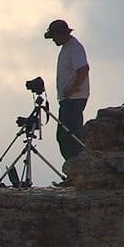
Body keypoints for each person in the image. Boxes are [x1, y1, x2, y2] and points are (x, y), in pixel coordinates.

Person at [44, 19, 89, 161]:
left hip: (73, 99)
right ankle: (73, 168)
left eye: (54, 37)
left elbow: (83, 70)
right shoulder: (67, 48)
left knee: (70, 136)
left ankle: (77, 166)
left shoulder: (74, 47)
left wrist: (72, 90)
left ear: (61, 34)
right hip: (68, 99)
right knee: (65, 136)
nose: (53, 40)